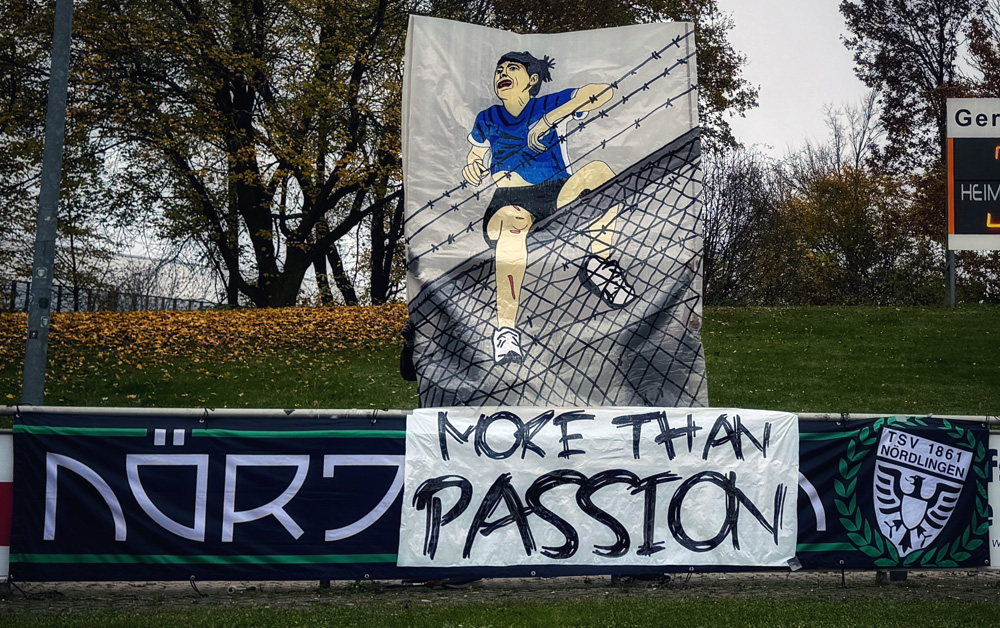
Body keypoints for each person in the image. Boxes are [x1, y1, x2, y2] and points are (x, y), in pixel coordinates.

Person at [463, 51, 636, 365]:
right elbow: (475, 156)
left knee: (600, 172)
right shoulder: (488, 118)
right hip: (510, 199)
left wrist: (548, 120)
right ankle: (505, 331)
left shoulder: (545, 104)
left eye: (511, 68)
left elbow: (602, 92)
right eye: (499, 70)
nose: (502, 74)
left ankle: (599, 263)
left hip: (556, 193)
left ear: (531, 79)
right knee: (514, 224)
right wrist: (472, 167)